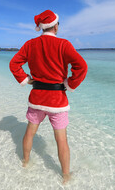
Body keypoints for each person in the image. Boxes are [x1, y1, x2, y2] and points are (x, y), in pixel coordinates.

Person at [9, 10, 87, 183]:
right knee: (61, 140)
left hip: (37, 98)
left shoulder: (30, 44)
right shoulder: (64, 44)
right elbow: (81, 66)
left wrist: (26, 79)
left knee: (29, 133)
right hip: (57, 101)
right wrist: (70, 84)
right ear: (56, 25)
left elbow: (13, 64)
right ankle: (66, 175)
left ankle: (25, 162)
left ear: (42, 27)